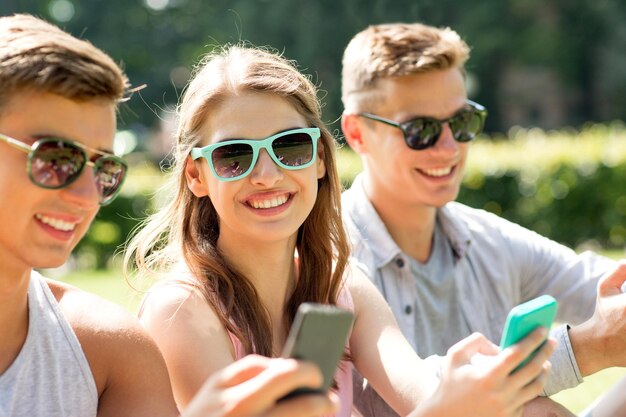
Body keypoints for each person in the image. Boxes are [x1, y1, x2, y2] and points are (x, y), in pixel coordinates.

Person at [125, 44, 557, 417]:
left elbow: (419, 397)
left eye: (290, 146)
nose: (267, 175)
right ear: (196, 176)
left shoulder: (341, 285)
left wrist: (466, 390)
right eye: (234, 157)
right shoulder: (183, 311)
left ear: (318, 159)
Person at [0, 13, 339, 417]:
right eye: (56, 159)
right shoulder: (168, 316)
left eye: (103, 169)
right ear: (195, 174)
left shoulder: (111, 349)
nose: (87, 195)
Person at [340, 22, 626, 416]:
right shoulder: (329, 257)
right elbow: (396, 403)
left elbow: (595, 280)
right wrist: (586, 349)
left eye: (462, 123)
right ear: (357, 134)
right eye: (420, 130)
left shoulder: (486, 238)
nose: (448, 147)